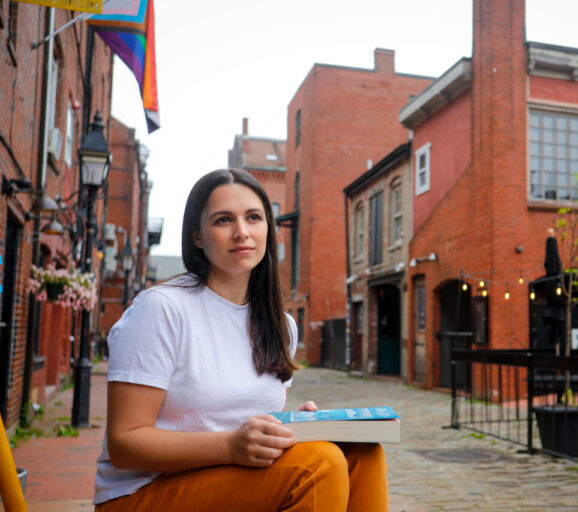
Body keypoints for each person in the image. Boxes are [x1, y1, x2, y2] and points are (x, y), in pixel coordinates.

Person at [94, 169, 388, 511]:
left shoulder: (281, 325)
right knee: (318, 465)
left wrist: (296, 426)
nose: (242, 232)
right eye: (223, 220)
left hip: (228, 477)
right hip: (142, 493)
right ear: (197, 236)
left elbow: (236, 415)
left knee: (363, 453)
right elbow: (125, 444)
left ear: (268, 229)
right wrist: (231, 446)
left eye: (254, 217)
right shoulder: (161, 309)